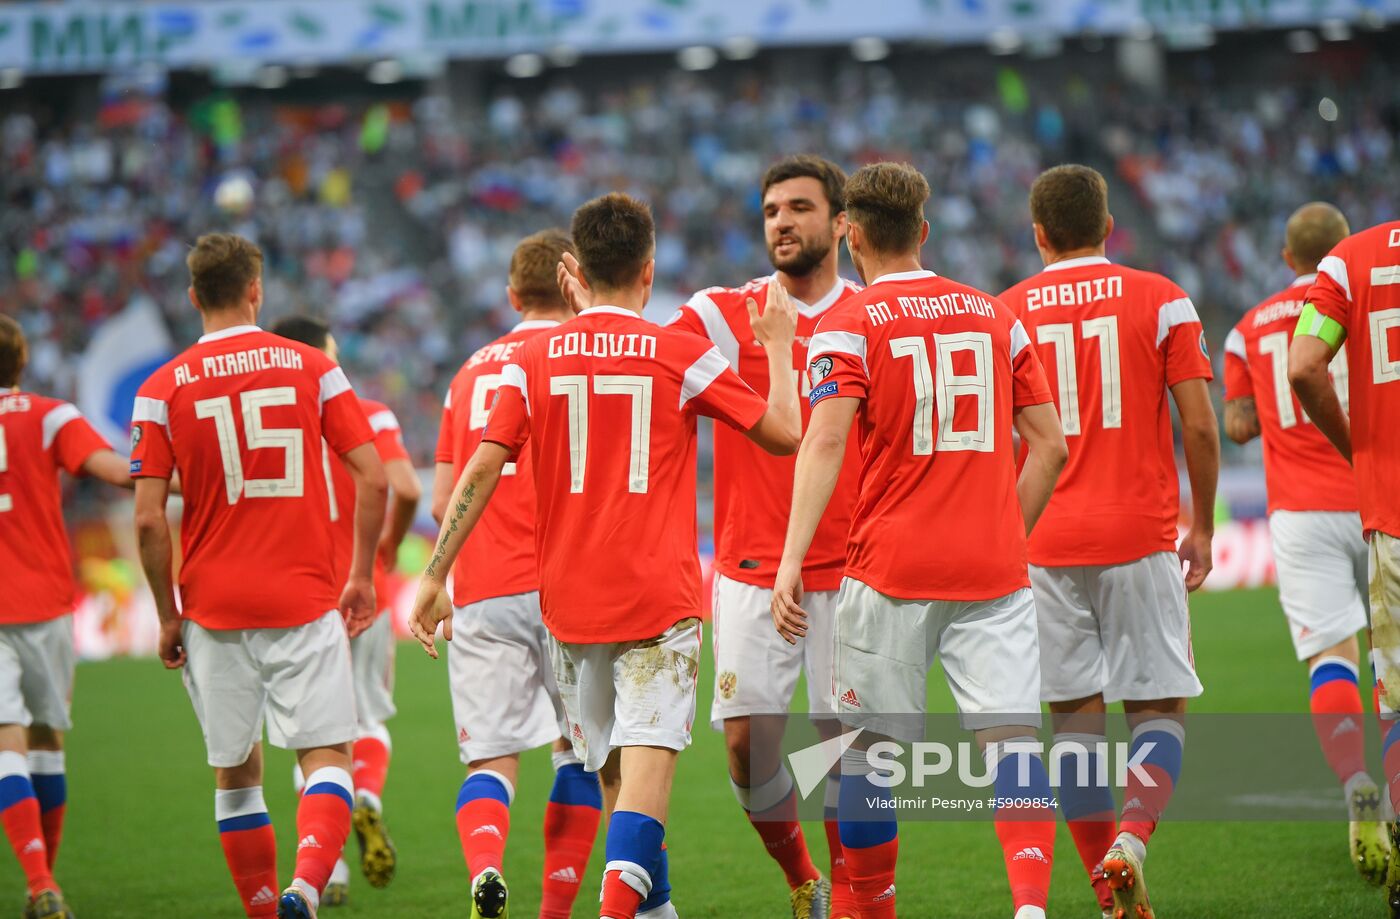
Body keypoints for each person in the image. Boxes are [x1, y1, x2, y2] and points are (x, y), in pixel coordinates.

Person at [409, 192, 802, 919]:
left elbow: (480, 469)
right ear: (649, 271)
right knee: (645, 787)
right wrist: (777, 344)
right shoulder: (682, 351)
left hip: (569, 609)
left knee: (615, 777)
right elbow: (783, 432)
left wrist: (435, 574)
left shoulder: (528, 357)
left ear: (575, 272)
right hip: (657, 603)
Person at [773, 161, 1068, 919]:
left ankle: (871, 907)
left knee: (867, 757)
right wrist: (1007, 529)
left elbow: (825, 441)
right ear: (924, 233)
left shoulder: (849, 321)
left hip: (889, 567)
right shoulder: (994, 313)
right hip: (991, 569)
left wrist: (791, 559)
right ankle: (1032, 906)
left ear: (852, 234)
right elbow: (1051, 446)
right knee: (1013, 748)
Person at [131, 233, 387, 919]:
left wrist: (165, 612)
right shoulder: (313, 368)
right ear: (256, 290)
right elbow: (372, 474)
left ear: (192, 297)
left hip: (213, 605)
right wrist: (360, 573)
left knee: (237, 774)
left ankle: (268, 908)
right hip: (304, 595)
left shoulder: (159, 390)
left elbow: (150, 521)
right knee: (327, 756)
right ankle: (307, 887)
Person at [998, 164, 1219, 919]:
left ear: (1038, 235)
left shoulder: (1007, 313)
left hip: (1044, 544)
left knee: (1076, 725)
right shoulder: (1162, 298)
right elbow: (1197, 422)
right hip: (1139, 534)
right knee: (1157, 712)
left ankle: (1105, 893)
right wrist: (1205, 522)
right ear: (1108, 226)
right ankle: (1132, 838)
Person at [667, 154, 861, 919]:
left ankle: (853, 893)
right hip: (750, 568)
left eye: (800, 208)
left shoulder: (867, 316)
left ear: (840, 224)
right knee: (748, 749)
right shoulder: (721, 313)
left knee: (846, 746)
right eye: (772, 210)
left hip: (850, 567)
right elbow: (644, 351)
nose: (782, 221)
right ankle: (803, 874)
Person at [431, 229, 603, 919]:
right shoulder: (578, 355)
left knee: (492, 761)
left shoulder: (470, 371)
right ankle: (555, 911)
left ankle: (486, 872)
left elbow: (447, 498)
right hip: (570, 583)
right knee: (581, 756)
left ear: (511, 294)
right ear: (573, 281)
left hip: (484, 586)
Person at [1223, 203, 1389, 884]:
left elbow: (1235, 425)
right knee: (1394, 655)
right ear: (1341, 250)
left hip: (1300, 512)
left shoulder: (1245, 330)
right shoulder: (1367, 288)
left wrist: (1268, 404)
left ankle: (1355, 780)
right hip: (1378, 495)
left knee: (1332, 655)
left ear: (1289, 258)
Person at [269, 315, 423, 904]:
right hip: (365, 589)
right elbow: (405, 488)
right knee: (366, 719)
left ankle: (326, 870)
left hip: (297, 593)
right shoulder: (368, 412)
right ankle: (368, 801)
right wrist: (385, 548)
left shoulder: (274, 418)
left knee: (309, 733)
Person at [0, 315, 132, 919]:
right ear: (23, 360)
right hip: (46, 601)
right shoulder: (52, 414)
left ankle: (39, 884)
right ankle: (44, 884)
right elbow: (114, 470)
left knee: (7, 746)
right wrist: (185, 483)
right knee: (48, 743)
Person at [1288, 216, 1400, 918]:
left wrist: (1361, 448)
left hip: (1385, 512)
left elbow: (1303, 365)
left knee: (1393, 699)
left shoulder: (1350, 261)